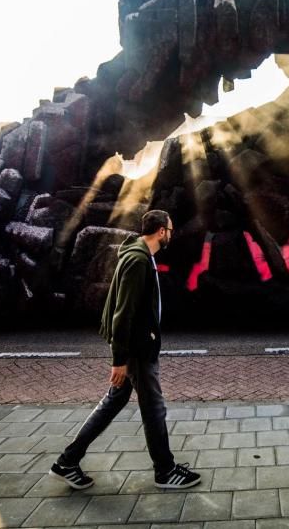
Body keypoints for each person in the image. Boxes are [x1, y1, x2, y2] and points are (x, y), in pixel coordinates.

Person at [49, 210, 200, 491]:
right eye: (170, 229)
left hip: (136, 345)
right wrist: (119, 360)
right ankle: (165, 471)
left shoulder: (141, 256)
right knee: (154, 408)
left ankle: (67, 462)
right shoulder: (138, 260)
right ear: (160, 231)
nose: (172, 234)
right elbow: (123, 314)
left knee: (114, 402)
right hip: (136, 349)